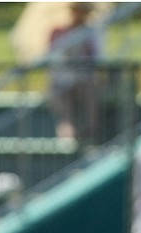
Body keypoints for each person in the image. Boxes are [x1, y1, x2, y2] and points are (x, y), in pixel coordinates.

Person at [47, 2, 101, 142]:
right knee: (61, 90)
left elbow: (96, 58)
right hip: (63, 78)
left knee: (88, 88)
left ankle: (90, 129)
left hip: (84, 78)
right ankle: (67, 127)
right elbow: (54, 57)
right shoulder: (58, 32)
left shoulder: (91, 33)